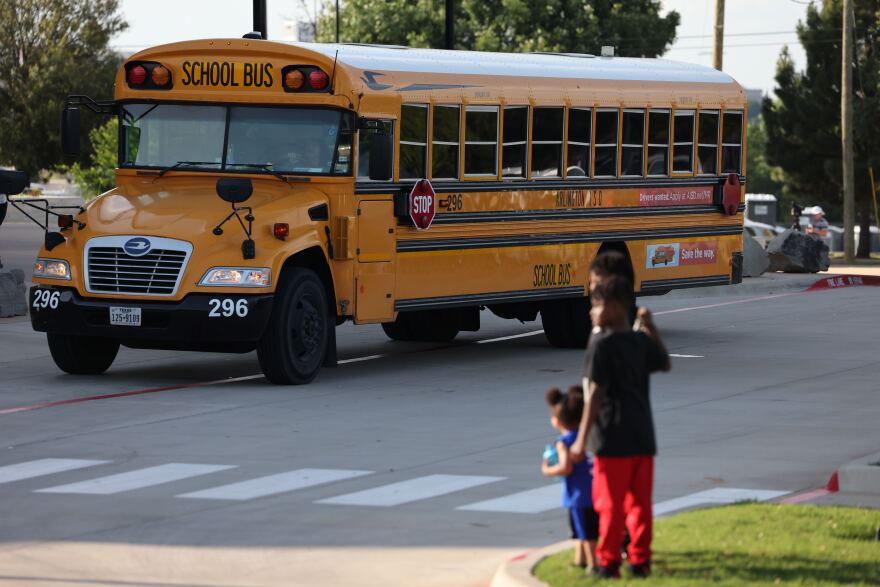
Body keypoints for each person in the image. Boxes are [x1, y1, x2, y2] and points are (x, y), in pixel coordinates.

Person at [577, 276, 670, 578]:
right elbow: (665, 363)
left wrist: (580, 440)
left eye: (595, 304)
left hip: (610, 439)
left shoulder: (601, 345)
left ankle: (608, 562)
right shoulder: (640, 341)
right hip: (642, 436)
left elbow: (595, 395)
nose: (592, 312)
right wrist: (651, 326)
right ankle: (640, 560)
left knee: (610, 504)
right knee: (639, 503)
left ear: (615, 307)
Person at [541, 385, 598, 571]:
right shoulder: (588, 437)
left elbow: (566, 467)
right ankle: (580, 560)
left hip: (578, 496)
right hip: (595, 491)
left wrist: (548, 470)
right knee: (581, 530)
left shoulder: (563, 442)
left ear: (556, 421)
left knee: (585, 532)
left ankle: (593, 564)